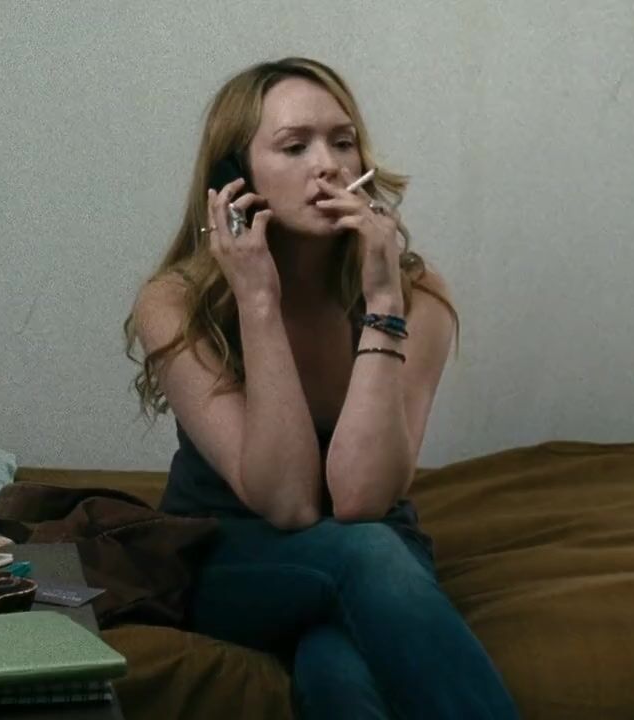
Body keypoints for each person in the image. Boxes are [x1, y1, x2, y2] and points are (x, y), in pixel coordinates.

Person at [124, 57, 519, 719]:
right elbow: (288, 504)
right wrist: (257, 301)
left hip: (375, 547)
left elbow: (362, 498)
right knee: (365, 557)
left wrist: (383, 301)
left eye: (342, 142)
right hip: (231, 556)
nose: (328, 165)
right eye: (295, 147)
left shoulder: (416, 294)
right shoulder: (175, 303)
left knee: (339, 668)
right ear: (235, 176)